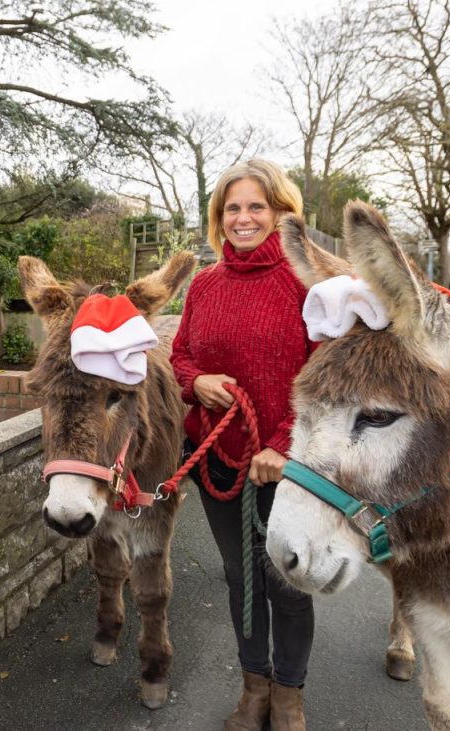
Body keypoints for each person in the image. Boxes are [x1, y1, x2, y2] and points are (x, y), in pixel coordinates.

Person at [171, 159, 315, 731]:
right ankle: (253, 686)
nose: (244, 218)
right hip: (217, 459)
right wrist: (194, 382)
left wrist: (281, 443)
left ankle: (289, 697)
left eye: (257, 206)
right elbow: (180, 353)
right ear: (218, 217)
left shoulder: (306, 285)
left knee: (287, 579)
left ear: (282, 212)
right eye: (233, 208)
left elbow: (324, 373)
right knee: (241, 576)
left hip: (287, 462)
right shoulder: (204, 285)